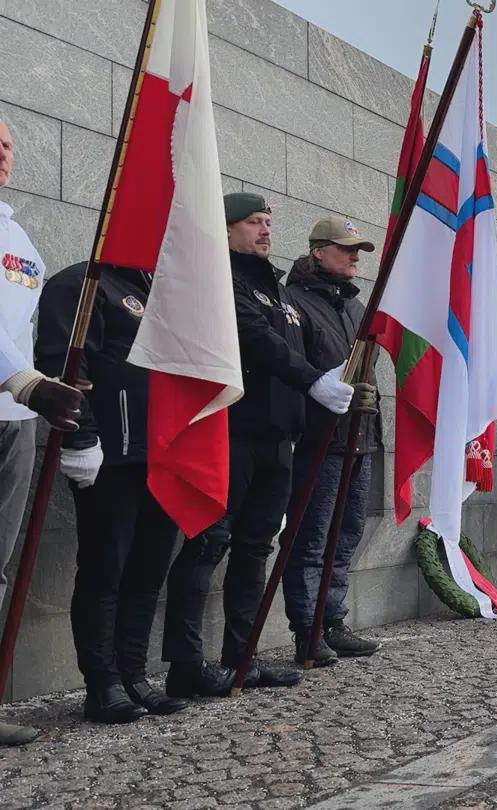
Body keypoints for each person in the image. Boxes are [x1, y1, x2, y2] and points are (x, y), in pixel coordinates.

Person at [163, 193, 357, 698]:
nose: (266, 230)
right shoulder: (219, 280)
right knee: (207, 545)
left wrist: (326, 381)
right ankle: (185, 663)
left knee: (255, 550)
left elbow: (292, 349)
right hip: (231, 434)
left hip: (278, 439)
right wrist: (314, 381)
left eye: (269, 221)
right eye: (254, 222)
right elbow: (257, 343)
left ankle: (241, 656)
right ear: (225, 229)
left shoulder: (275, 288)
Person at [36, 261, 187, 724]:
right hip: (110, 455)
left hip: (163, 452)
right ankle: (102, 683)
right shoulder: (84, 282)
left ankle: (134, 674)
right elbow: (62, 365)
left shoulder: (162, 287)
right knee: (106, 569)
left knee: (148, 568)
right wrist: (81, 437)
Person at [0, 118, 91, 745]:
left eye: (7, 143)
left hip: (13, 421)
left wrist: (36, 392)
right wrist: (24, 381)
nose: (2, 153)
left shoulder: (20, 242)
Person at [280, 216, 382, 667]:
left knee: (347, 533)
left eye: (358, 250)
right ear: (319, 252)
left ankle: (332, 618)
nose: (355, 257)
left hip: (358, 437)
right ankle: (308, 628)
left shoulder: (355, 308)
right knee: (312, 536)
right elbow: (294, 372)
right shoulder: (293, 302)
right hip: (318, 439)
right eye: (346, 249)